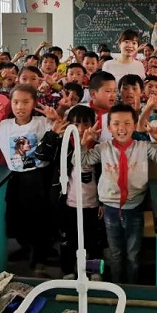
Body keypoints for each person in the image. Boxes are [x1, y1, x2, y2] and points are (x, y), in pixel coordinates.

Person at [0, 84, 60, 276]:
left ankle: (39, 259)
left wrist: (55, 118)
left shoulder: (41, 122)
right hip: (16, 178)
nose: (20, 107)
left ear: (34, 103)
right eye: (16, 102)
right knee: (18, 218)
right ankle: (27, 247)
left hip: (40, 177)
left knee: (40, 218)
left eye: (26, 102)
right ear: (10, 104)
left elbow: (60, 130)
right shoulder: (4, 127)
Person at [80, 103, 157, 283]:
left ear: (135, 125)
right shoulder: (103, 148)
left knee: (133, 254)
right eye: (116, 124)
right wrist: (84, 143)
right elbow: (81, 161)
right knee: (115, 254)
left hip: (134, 207)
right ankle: (117, 287)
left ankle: (132, 288)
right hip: (110, 209)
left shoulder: (143, 146)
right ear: (109, 128)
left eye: (127, 123)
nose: (121, 128)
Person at [33, 105, 104, 280]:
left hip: (93, 204)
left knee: (94, 240)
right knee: (68, 240)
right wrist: (53, 133)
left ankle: (94, 270)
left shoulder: (99, 148)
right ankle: (67, 271)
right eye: (76, 124)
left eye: (86, 124)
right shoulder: (62, 144)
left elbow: (106, 177)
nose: (81, 129)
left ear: (93, 125)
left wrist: (102, 202)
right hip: (67, 203)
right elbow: (40, 155)